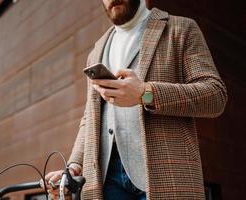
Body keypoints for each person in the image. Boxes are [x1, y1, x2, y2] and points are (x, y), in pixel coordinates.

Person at [42, 0, 227, 199]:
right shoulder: (96, 51)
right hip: (106, 180)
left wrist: (145, 93)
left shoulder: (180, 28)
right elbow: (91, 117)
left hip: (166, 175)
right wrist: (75, 165)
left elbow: (215, 95)